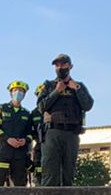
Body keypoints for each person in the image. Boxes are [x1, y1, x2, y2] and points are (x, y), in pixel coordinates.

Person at [35, 54, 94, 186]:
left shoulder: (79, 86)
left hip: (71, 134)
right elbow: (41, 106)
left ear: (70, 66)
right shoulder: (48, 85)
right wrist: (56, 91)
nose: (60, 67)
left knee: (69, 174)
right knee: (50, 174)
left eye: (63, 64)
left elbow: (88, 105)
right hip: (52, 133)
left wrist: (77, 89)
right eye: (57, 65)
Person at [0, 81, 38, 186]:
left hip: (20, 154)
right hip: (3, 152)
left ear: (24, 95)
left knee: (20, 185)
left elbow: (30, 132)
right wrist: (7, 139)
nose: (18, 93)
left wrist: (26, 140)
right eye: (15, 90)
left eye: (21, 91)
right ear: (11, 93)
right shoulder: (2, 108)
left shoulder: (26, 113)